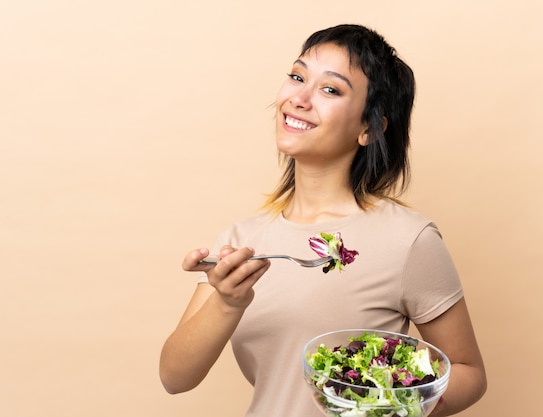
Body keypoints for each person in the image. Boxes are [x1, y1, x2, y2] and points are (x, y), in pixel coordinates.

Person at [159, 24, 487, 417]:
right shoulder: (243, 240)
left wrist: (389, 406)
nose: (298, 98)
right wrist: (228, 303)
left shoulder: (407, 239)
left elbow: (469, 372)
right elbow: (174, 377)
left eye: (330, 89)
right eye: (297, 77)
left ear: (370, 127)